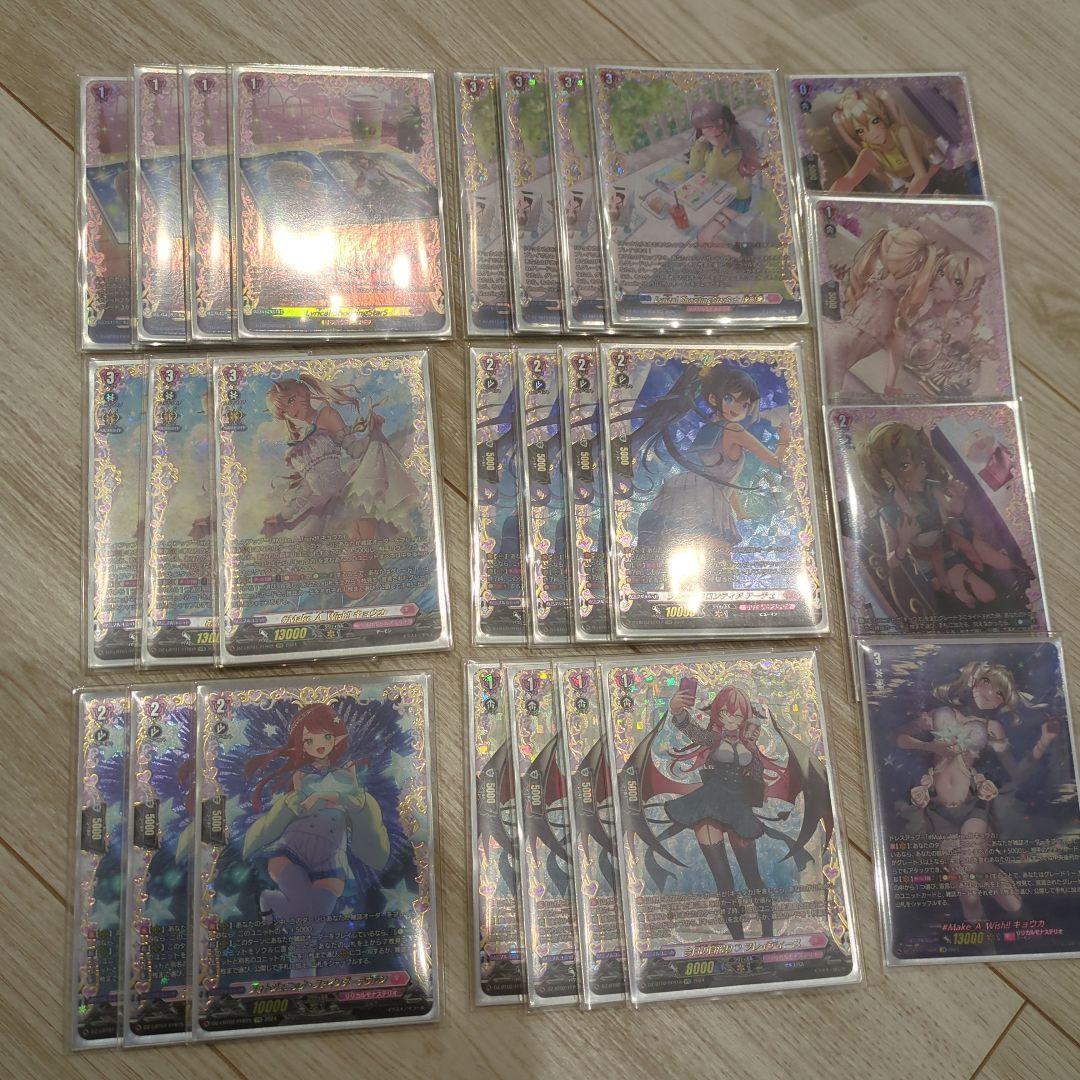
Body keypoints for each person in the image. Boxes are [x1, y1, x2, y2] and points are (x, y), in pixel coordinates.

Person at [896, 662, 1059, 922]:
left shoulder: (992, 727)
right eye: (986, 682)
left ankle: (1024, 923)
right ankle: (988, 933)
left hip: (973, 806)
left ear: (1003, 701)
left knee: (971, 866)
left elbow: (1018, 773)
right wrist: (931, 748)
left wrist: (1044, 741)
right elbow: (900, 738)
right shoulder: (939, 713)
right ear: (974, 679)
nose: (990, 693)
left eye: (1000, 693)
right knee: (968, 889)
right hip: (936, 810)